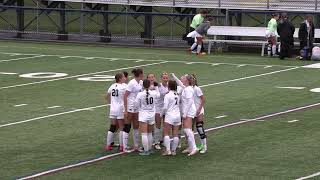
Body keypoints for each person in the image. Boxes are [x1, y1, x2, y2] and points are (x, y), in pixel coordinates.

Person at [171, 73, 198, 156]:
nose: (182, 78)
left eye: (184, 78)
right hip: (188, 111)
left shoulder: (188, 89)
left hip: (189, 111)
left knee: (187, 130)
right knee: (187, 130)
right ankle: (191, 147)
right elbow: (180, 84)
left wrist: (185, 113)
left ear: (187, 80)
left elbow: (190, 102)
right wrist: (174, 77)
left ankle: (193, 147)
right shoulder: (186, 88)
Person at [135, 79, 160, 155]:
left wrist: (140, 108)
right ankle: (149, 149)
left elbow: (136, 104)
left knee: (144, 133)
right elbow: (158, 95)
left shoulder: (140, 94)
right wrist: (156, 87)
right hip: (152, 114)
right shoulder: (154, 93)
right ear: (149, 85)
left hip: (143, 114)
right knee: (149, 133)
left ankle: (146, 150)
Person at [123, 68, 144, 152]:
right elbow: (125, 96)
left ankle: (136, 146)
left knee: (136, 126)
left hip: (137, 107)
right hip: (130, 106)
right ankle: (124, 147)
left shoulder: (141, 82)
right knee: (127, 126)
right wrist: (125, 109)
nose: (143, 75)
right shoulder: (131, 83)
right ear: (140, 74)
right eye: (142, 74)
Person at [105, 73, 127, 151]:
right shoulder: (124, 87)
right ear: (120, 79)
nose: (125, 78)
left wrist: (111, 103)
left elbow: (107, 96)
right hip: (120, 109)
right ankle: (121, 146)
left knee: (112, 126)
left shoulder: (112, 85)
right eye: (124, 77)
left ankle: (108, 145)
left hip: (112, 109)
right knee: (122, 127)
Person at [162, 80, 181, 156]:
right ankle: (173, 151)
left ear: (169, 86)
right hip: (177, 116)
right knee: (175, 134)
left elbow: (165, 107)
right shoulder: (177, 94)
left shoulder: (167, 95)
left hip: (169, 115)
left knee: (166, 133)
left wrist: (161, 114)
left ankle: (168, 150)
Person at [191, 74, 207, 154]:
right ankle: (192, 146)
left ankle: (204, 146)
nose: (191, 80)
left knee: (200, 127)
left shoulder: (197, 89)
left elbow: (203, 99)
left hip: (199, 111)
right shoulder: (188, 88)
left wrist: (199, 109)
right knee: (191, 129)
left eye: (192, 78)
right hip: (192, 111)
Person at [154, 72, 169, 149]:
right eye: (164, 78)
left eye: (166, 78)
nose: (165, 79)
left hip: (166, 108)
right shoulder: (158, 86)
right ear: (161, 78)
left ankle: (163, 141)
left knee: (166, 125)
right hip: (158, 108)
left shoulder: (169, 85)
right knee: (158, 125)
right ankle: (156, 142)